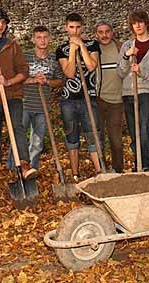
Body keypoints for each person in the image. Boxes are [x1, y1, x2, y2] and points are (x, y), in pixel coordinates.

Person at [0, 7, 37, 180]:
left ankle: (24, 165)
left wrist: (8, 81)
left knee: (17, 127)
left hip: (12, 95)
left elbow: (24, 71)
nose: (1, 25)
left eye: (4, 22)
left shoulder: (12, 46)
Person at [117, 10, 149, 172]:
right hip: (128, 92)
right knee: (133, 130)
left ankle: (146, 164)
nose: (137, 25)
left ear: (146, 23)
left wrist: (142, 71)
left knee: (144, 126)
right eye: (134, 23)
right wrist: (126, 56)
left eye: (140, 22)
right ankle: (138, 162)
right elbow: (120, 72)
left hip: (145, 92)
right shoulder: (126, 46)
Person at [56, 13, 102, 180]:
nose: (75, 31)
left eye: (78, 27)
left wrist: (81, 47)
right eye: (71, 27)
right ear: (66, 28)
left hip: (88, 97)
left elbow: (91, 67)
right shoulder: (61, 49)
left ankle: (99, 171)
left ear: (82, 27)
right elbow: (69, 72)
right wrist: (72, 50)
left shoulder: (92, 45)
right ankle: (75, 174)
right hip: (69, 100)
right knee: (72, 136)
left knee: (93, 135)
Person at [18, 26, 64, 169]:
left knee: (37, 143)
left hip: (43, 106)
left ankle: (32, 170)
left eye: (45, 37)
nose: (42, 40)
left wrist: (47, 82)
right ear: (33, 39)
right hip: (24, 104)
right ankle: (14, 170)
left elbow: (60, 81)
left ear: (50, 39)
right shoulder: (24, 56)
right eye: (39, 37)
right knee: (19, 140)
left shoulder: (54, 59)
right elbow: (14, 78)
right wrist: (32, 80)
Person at [95, 20, 125, 173]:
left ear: (112, 32)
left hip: (117, 101)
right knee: (97, 137)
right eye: (100, 32)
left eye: (107, 31)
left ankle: (118, 170)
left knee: (115, 139)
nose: (104, 35)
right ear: (96, 34)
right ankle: (101, 169)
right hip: (98, 99)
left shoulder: (121, 48)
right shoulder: (93, 50)